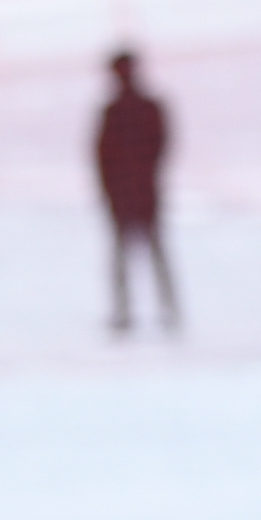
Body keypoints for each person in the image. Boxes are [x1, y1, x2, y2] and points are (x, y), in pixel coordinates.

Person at [97, 50, 177, 334]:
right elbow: (103, 157)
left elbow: (159, 147)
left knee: (153, 254)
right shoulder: (117, 111)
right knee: (128, 257)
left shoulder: (141, 108)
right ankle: (128, 312)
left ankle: (166, 311)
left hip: (140, 192)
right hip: (129, 193)